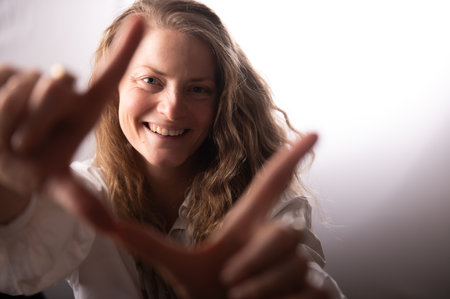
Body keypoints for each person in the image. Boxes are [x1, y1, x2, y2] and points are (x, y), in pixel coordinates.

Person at [0, 0, 345, 298]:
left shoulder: (261, 201)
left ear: (222, 102)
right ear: (115, 88)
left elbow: (305, 277)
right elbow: (17, 267)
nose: (172, 109)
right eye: (151, 80)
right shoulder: (84, 190)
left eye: (198, 89)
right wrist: (10, 189)